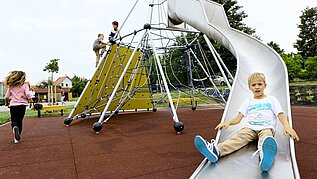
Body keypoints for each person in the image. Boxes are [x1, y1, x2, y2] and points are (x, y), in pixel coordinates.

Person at [194, 72, 299, 172]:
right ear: (250, 87)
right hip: (250, 128)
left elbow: (280, 114)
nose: (257, 87)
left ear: (265, 85)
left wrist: (287, 126)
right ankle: (216, 151)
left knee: (266, 138)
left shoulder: (271, 100)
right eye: (254, 85)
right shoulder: (247, 102)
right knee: (238, 138)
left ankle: (265, 157)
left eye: (259, 84)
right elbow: (238, 118)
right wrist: (228, 123)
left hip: (266, 127)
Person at [4, 71, 32, 144]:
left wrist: (6, 103)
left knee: (14, 120)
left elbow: (6, 96)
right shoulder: (25, 86)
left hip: (13, 105)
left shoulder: (11, 86)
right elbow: (28, 94)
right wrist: (30, 100)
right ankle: (18, 137)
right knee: (20, 121)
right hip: (22, 105)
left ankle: (14, 129)